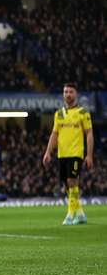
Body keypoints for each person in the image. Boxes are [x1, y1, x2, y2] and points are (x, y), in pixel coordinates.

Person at [43, 83, 95, 225]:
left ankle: (70, 214)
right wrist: (48, 152)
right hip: (62, 154)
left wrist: (89, 155)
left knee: (72, 180)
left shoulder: (83, 112)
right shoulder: (59, 114)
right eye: (65, 91)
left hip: (75, 152)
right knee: (67, 184)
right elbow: (54, 134)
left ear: (76, 94)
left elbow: (89, 133)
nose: (68, 94)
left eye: (71, 92)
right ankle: (80, 213)